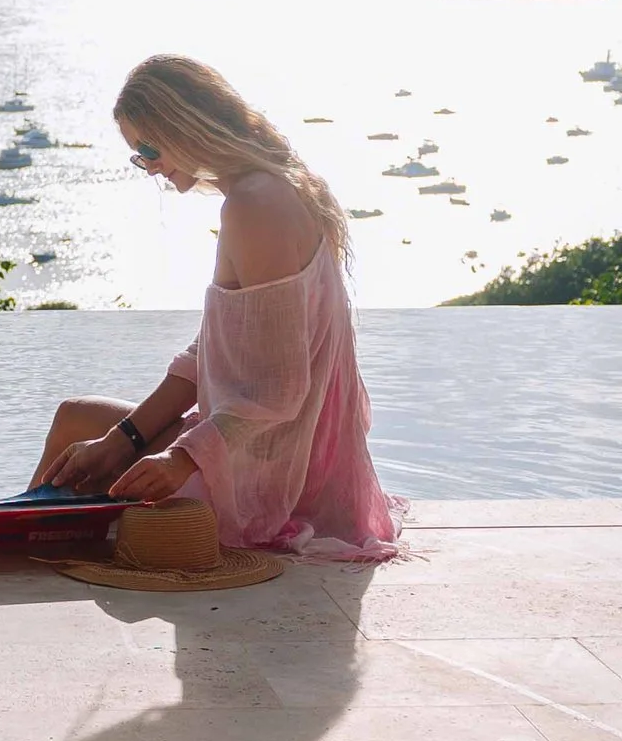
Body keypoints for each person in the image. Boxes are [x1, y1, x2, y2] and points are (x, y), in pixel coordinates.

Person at [31, 55, 404, 563]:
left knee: (74, 434)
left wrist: (179, 460)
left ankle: (7, 545)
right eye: (138, 156)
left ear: (186, 125)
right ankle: (19, 537)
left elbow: (280, 391)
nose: (149, 166)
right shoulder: (278, 187)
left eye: (149, 148)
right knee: (81, 427)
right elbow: (208, 351)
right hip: (265, 453)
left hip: (271, 479)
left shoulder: (256, 204)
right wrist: (125, 439)